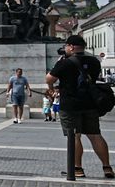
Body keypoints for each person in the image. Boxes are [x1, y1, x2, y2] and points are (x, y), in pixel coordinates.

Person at [46, 34, 112, 179]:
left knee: (74, 136)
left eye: (66, 46)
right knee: (95, 135)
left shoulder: (65, 63)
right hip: (90, 103)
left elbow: (49, 78)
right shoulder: (94, 61)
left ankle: (77, 168)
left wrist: (52, 85)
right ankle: (107, 167)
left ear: (71, 46)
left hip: (70, 104)